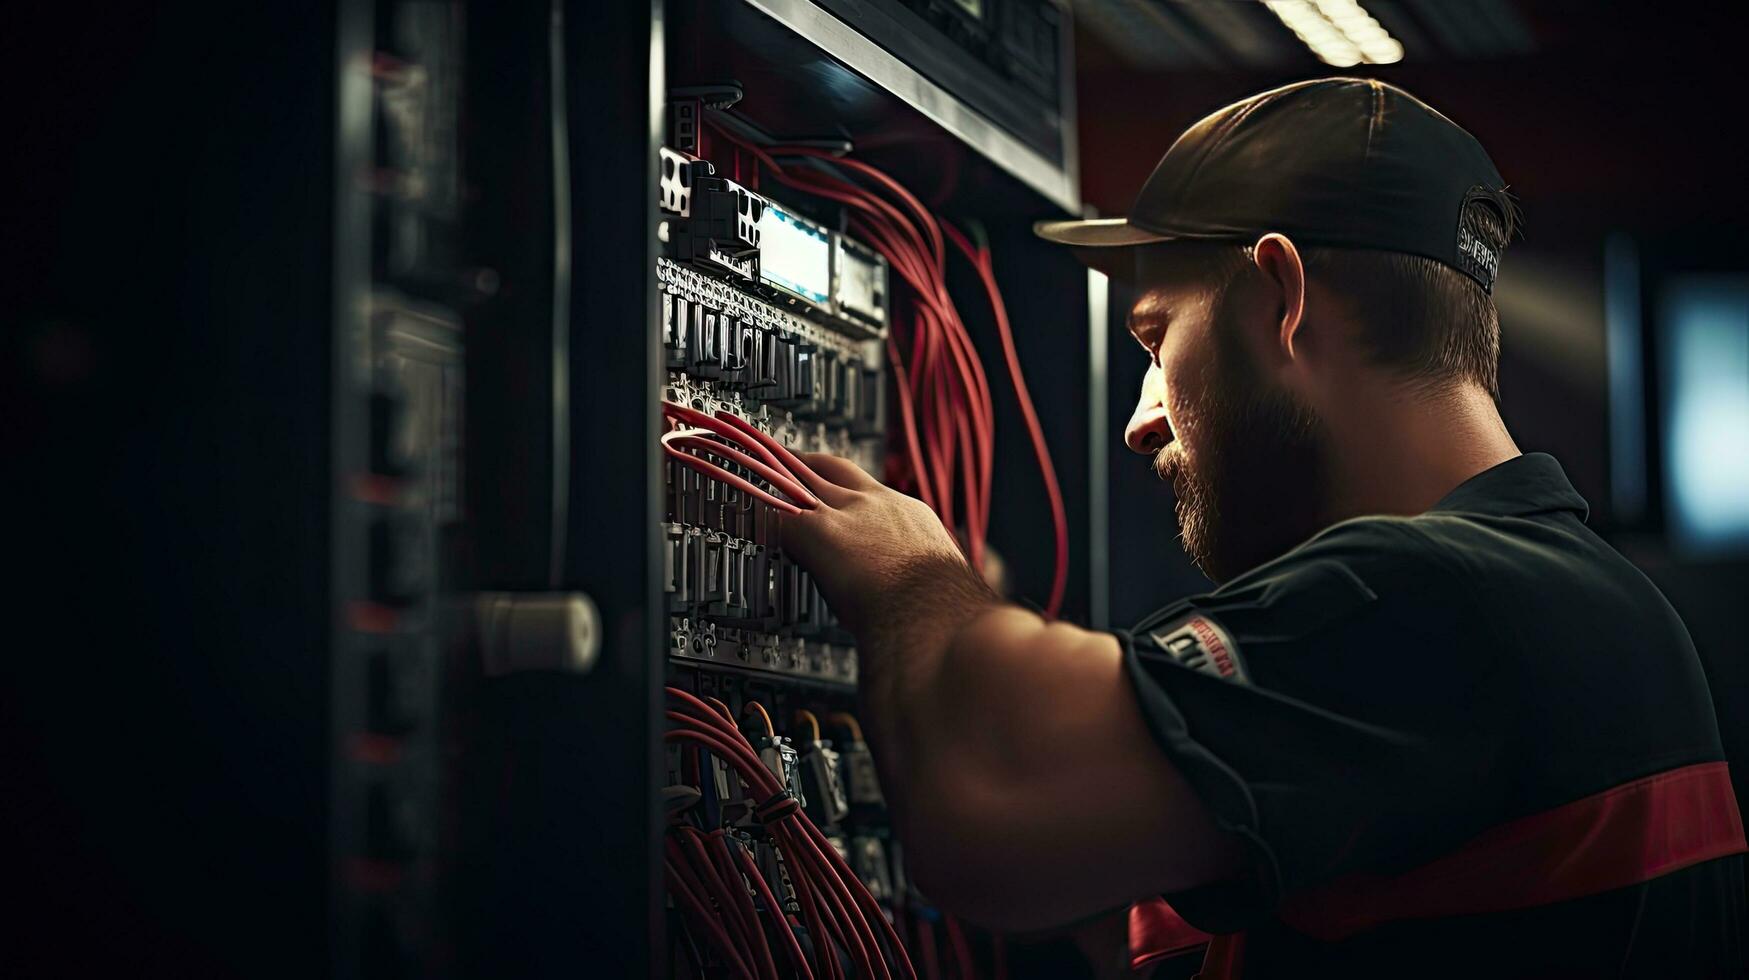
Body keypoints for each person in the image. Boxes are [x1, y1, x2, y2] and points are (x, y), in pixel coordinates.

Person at [777, 78, 1745, 977]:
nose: (1141, 416)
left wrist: (914, 580)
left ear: (1280, 298)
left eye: (1158, 341)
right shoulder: (1586, 596)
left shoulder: (1434, 591)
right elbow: (1146, 885)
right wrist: (970, 611)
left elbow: (994, 806)